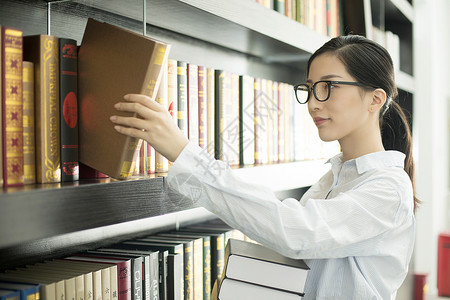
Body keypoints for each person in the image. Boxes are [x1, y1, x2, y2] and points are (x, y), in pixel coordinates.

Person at [110, 35, 417, 299]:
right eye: (310, 88)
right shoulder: (331, 180)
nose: (313, 103)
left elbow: (296, 233)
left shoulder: (389, 188)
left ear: (375, 99)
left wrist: (185, 152)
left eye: (328, 87)